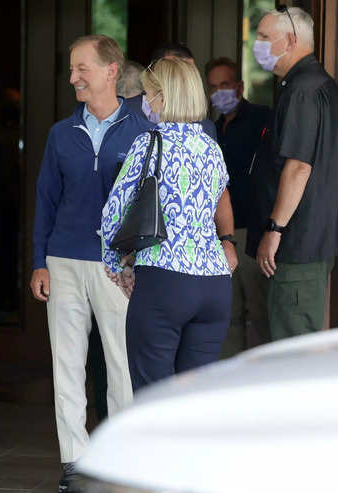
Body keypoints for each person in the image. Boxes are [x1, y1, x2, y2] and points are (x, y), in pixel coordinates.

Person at [30, 34, 149, 493]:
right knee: (67, 364)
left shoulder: (142, 129)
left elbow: (149, 203)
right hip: (63, 261)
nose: (74, 77)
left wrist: (138, 260)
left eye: (82, 68)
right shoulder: (62, 133)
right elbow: (45, 201)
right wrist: (39, 261)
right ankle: (74, 462)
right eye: (72, 67)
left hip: (117, 266)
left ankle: (121, 461)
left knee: (121, 364)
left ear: (110, 71)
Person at [102, 57, 233, 390]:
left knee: (153, 401)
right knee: (194, 403)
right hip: (215, 284)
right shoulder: (212, 148)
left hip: (164, 279)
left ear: (163, 96)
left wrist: (118, 266)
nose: (145, 103)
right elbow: (215, 203)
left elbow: (113, 214)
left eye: (148, 94)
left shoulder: (150, 142)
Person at [250, 7, 338, 340]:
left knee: (292, 349)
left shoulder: (302, 90)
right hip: (307, 243)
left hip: (295, 245)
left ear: (290, 40)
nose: (257, 44)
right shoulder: (314, 83)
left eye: (265, 37)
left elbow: (298, 167)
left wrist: (274, 228)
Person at [206, 57, 271, 356]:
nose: (219, 92)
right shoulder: (210, 130)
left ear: (239, 86)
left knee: (258, 313)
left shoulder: (262, 120)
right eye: (213, 86)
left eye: (225, 84)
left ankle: (262, 385)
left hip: (252, 231)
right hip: (219, 237)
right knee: (226, 315)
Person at [126, 42, 217, 140]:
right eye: (174, 71)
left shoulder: (206, 128)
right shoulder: (123, 114)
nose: (186, 81)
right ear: (154, 72)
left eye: (190, 73)